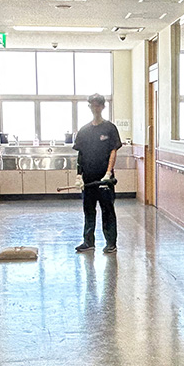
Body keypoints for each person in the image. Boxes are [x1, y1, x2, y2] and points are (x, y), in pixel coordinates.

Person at [73, 93, 122, 254]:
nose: (95, 108)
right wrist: (79, 175)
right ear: (89, 107)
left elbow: (113, 151)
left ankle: (110, 243)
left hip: (104, 179)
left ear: (103, 107)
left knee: (107, 210)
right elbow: (80, 155)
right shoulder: (84, 131)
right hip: (88, 180)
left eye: (98, 105)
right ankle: (88, 242)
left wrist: (108, 173)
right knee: (88, 210)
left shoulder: (109, 128)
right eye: (92, 105)